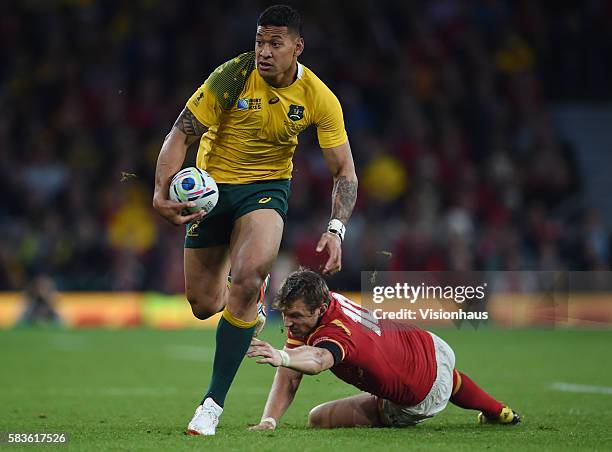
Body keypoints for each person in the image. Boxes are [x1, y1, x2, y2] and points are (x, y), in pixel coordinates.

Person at [152, 5, 357, 436]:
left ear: (297, 47)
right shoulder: (231, 76)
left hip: (266, 189)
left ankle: (211, 404)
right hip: (211, 192)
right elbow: (181, 134)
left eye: (275, 43)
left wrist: (336, 228)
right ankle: (250, 307)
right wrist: (159, 192)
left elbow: (345, 172)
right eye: (260, 41)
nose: (263, 51)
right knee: (204, 304)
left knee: (249, 274)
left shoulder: (319, 98)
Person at [248, 269, 520, 430]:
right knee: (446, 376)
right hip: (429, 345)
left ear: (319, 309)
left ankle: (483, 406)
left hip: (418, 396)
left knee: (318, 418)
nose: (287, 323)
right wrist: (269, 421)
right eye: (284, 314)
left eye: (295, 316)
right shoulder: (330, 300)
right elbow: (291, 373)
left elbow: (319, 359)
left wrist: (282, 357)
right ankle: (498, 411)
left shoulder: (337, 332)